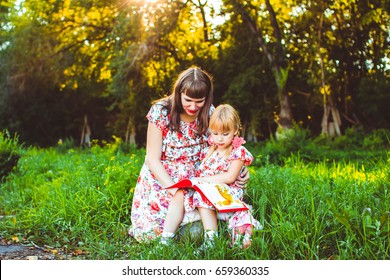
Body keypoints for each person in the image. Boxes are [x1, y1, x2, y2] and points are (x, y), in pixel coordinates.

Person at [128, 67, 249, 243]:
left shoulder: (209, 112)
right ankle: (187, 232)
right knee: (150, 234)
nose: (193, 107)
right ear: (178, 94)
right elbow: (151, 158)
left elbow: (223, 145)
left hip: (198, 177)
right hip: (163, 177)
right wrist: (173, 188)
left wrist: (240, 168)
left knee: (209, 209)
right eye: (188, 100)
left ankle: (203, 231)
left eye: (199, 101)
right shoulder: (161, 111)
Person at [162, 104, 262, 251]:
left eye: (225, 134)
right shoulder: (211, 150)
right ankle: (165, 240)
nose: (219, 139)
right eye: (215, 133)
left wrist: (201, 182)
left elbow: (229, 177)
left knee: (204, 194)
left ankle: (211, 240)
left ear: (235, 130)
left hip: (226, 192)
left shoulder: (238, 151)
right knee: (179, 193)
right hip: (208, 188)